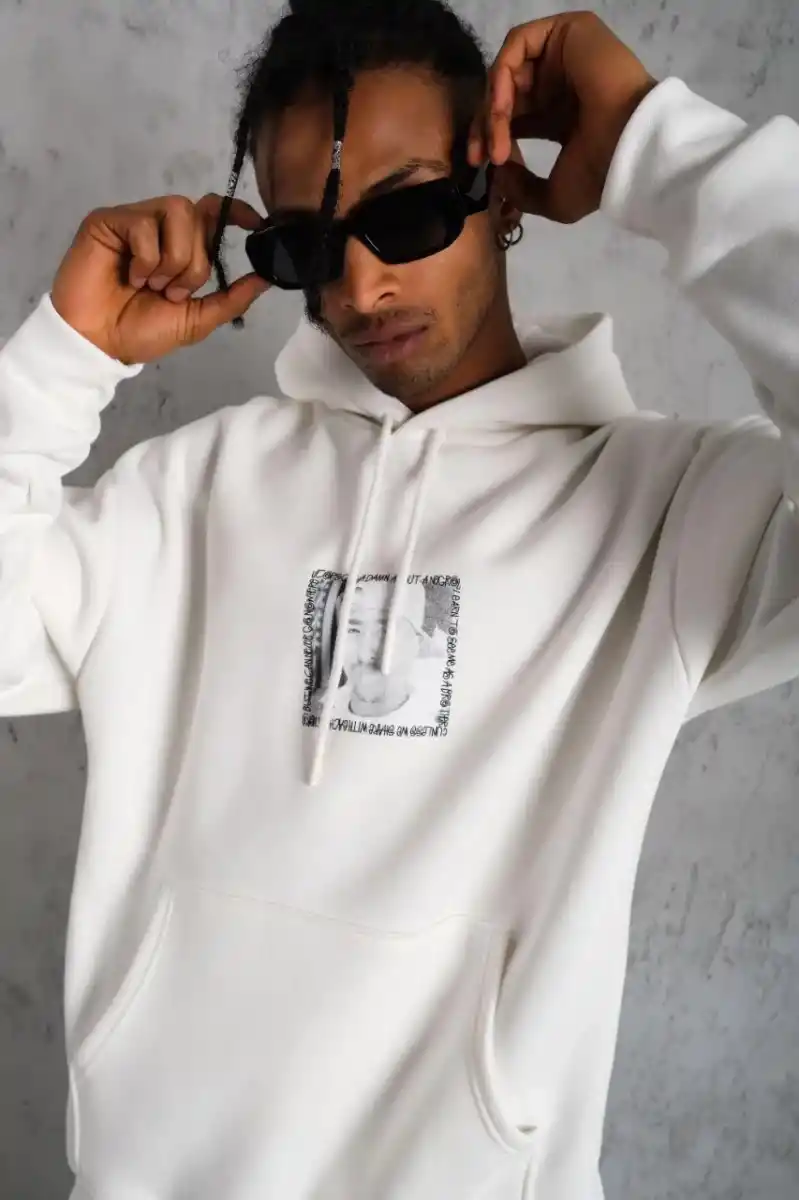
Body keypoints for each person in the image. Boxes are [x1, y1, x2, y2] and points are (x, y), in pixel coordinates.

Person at [1, 2, 798, 1197]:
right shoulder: (192, 492)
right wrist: (63, 358)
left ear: (501, 191)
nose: (361, 286)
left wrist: (652, 143)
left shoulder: (669, 516)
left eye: (408, 213)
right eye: (307, 248)